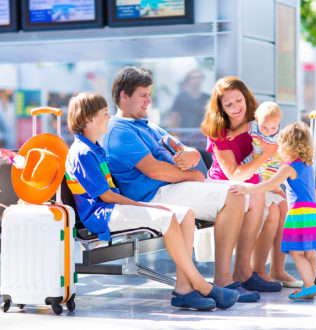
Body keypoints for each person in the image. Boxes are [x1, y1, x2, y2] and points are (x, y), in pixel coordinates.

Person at [65, 91, 239, 310]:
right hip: (103, 214)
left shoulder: (94, 148)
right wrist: (145, 206)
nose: (109, 117)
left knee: (185, 214)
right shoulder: (82, 152)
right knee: (165, 216)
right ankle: (202, 285)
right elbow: (106, 197)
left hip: (114, 207)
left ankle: (184, 290)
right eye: (105, 113)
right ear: (89, 119)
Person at [102, 66, 262, 303]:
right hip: (153, 195)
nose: (149, 100)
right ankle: (224, 279)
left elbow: (188, 151)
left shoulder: (149, 126)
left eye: (149, 94)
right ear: (123, 96)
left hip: (173, 188)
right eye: (142, 95)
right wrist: (191, 175)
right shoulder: (119, 130)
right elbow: (154, 170)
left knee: (247, 195)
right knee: (234, 194)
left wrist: (191, 157)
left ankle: (199, 285)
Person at [201, 76, 302, 290]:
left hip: (257, 178)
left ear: (245, 97)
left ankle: (274, 269)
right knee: (266, 207)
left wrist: (275, 179)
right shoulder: (218, 132)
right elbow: (235, 174)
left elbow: (277, 149)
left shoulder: (260, 122)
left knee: (283, 205)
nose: (235, 107)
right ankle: (245, 270)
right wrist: (266, 155)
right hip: (227, 182)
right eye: (228, 104)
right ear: (220, 107)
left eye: (238, 100)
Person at [229, 122, 316, 299]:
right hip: (315, 214)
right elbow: (296, 186)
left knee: (296, 253)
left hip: (300, 215)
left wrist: (246, 189)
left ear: (287, 146)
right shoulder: (308, 166)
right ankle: (310, 286)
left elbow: (269, 184)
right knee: (310, 254)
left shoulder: (288, 168)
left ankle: (308, 287)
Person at [227, 101, 282, 181]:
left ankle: (277, 189)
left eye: (273, 128)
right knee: (243, 171)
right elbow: (245, 127)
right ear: (257, 119)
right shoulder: (254, 126)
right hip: (255, 156)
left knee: (268, 180)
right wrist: (234, 133)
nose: (268, 131)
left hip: (272, 161)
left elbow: (285, 146)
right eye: (264, 127)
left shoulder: (280, 135)